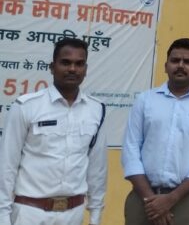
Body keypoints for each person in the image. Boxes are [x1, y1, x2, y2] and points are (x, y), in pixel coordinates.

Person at [0, 37, 108, 225]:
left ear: (85, 69)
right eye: (65, 62)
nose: (72, 69)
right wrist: (3, 217)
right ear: (52, 67)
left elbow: (97, 169)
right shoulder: (26, 106)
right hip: (30, 214)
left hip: (73, 214)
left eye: (79, 64)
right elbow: (6, 166)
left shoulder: (96, 110)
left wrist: (95, 216)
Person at [121, 38, 189, 225]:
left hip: (184, 201)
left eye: (188, 62)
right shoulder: (145, 100)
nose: (181, 66)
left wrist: (170, 199)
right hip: (142, 198)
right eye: (175, 60)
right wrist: (151, 201)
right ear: (165, 66)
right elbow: (130, 151)